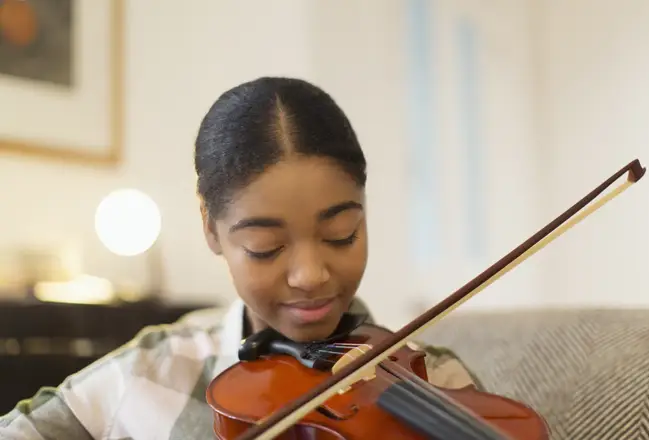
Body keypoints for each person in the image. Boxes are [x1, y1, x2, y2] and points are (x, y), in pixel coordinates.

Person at [0, 77, 482, 439]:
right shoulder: (150, 373)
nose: (311, 275)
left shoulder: (436, 381)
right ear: (211, 227)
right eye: (265, 248)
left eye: (341, 234)